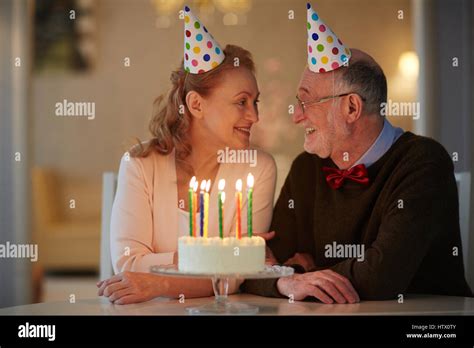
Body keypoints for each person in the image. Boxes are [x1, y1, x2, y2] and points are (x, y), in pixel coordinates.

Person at [243, 3, 472, 303]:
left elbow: (380, 278)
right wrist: (287, 281)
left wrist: (304, 271)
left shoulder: (424, 163)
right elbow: (257, 265)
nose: (296, 116)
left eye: (306, 102)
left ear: (351, 107)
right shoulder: (306, 168)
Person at [97, 7, 276, 305]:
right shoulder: (140, 164)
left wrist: (160, 278)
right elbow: (128, 265)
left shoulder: (259, 168)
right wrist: (214, 258)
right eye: (241, 102)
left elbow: (239, 272)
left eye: (255, 102)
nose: (254, 116)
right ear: (196, 104)